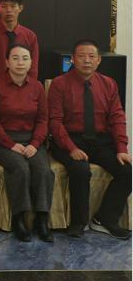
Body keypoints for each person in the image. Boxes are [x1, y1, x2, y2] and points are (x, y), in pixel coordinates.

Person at [49, 40, 131, 239]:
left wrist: (122, 148)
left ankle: (105, 219)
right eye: (81, 56)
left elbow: (117, 118)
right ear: (72, 59)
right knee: (80, 169)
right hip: (68, 140)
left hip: (100, 141)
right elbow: (55, 122)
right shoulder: (59, 84)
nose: (87, 60)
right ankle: (78, 222)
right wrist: (71, 148)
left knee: (127, 171)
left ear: (99, 60)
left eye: (91, 56)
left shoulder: (109, 84)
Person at [0, 44, 53, 243]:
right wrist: (10, 144)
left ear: (31, 62)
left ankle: (42, 218)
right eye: (15, 58)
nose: (20, 62)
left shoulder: (37, 87)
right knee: (20, 168)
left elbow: (43, 119)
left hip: (32, 141)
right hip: (2, 142)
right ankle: (19, 218)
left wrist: (35, 143)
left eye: (25, 58)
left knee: (43, 169)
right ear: (7, 62)